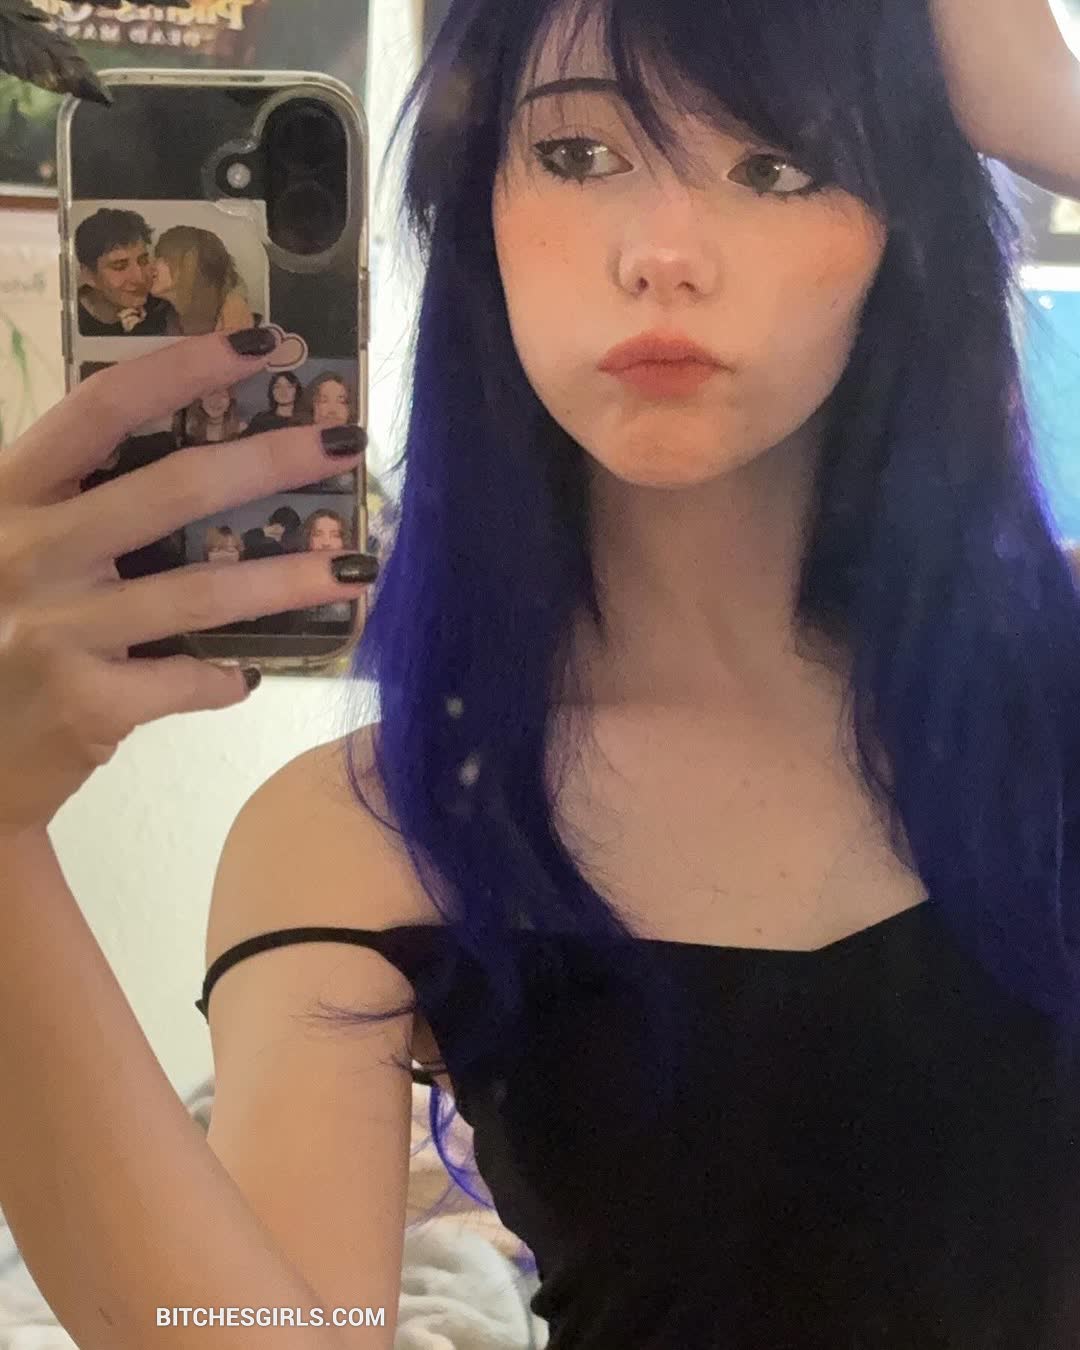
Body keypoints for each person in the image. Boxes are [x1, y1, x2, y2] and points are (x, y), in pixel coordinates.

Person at [3, 5, 1080, 1349]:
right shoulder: (373, 833)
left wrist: (1052, 113)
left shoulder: (1052, 678)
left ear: (900, 228)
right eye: (577, 155)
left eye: (779, 164)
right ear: (482, 216)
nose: (664, 254)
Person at [74, 208, 179, 336]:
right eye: (120, 266)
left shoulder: (162, 308)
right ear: (89, 275)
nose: (140, 278)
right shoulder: (73, 320)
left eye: (143, 260)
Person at [150, 225, 255, 335]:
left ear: (190, 267)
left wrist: (235, 299)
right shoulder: (161, 313)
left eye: (166, 260)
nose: (152, 266)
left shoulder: (230, 312)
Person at [174, 388, 248, 447]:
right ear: (201, 401)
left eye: (223, 396)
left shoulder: (241, 429)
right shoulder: (184, 426)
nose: (216, 401)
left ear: (230, 403)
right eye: (211, 394)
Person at [242, 371, 303, 437]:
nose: (283, 391)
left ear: (297, 390)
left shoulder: (304, 421)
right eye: (277, 387)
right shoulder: (261, 420)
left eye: (289, 386)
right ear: (272, 392)